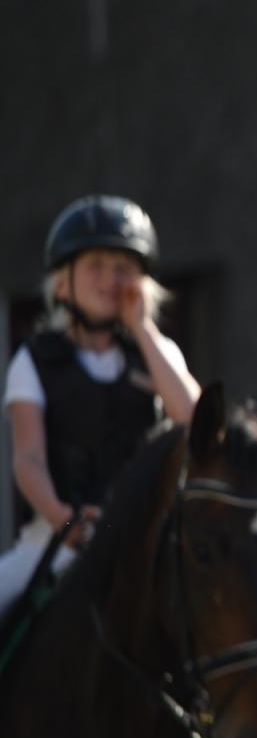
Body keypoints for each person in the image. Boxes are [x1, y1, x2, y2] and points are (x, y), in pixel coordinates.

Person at [1, 195, 200, 618]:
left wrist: (142, 328)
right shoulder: (33, 360)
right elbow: (28, 458)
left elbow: (195, 419)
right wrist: (64, 520)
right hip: (53, 543)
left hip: (146, 542)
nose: (110, 279)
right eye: (95, 265)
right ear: (61, 283)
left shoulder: (156, 352)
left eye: (123, 268)